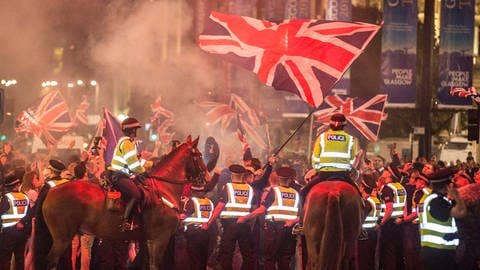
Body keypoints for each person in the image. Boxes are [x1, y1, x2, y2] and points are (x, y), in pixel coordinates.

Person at [296, 113, 359, 231]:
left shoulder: (322, 137)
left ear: (330, 124)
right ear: (344, 125)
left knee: (303, 193)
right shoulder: (350, 139)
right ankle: (360, 229)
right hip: (343, 175)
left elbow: (315, 158)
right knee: (359, 196)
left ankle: (301, 223)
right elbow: (352, 159)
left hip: (324, 174)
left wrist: (318, 168)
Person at [237, 166, 299, 270]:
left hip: (274, 229)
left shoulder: (274, 192)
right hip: (290, 230)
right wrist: (292, 221)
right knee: (285, 260)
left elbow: (262, 209)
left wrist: (246, 217)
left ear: (279, 178)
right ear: (289, 179)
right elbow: (300, 215)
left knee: (269, 259)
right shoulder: (295, 194)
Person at [202, 164, 255, 270]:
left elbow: (219, 207)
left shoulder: (228, 188)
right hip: (245, 224)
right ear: (243, 175)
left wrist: (209, 222)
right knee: (248, 254)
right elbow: (252, 208)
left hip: (230, 226)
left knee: (227, 254)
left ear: (231, 175)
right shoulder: (250, 189)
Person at [419, 168, 466, 269]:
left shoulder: (428, 198)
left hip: (432, 250)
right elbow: (461, 212)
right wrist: (457, 196)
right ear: (447, 186)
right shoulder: (437, 202)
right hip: (440, 252)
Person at [109, 117, 147, 231]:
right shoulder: (127, 143)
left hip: (123, 175)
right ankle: (125, 222)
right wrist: (145, 172)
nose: (136, 132)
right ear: (132, 130)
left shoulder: (129, 143)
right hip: (119, 176)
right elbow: (133, 165)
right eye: (136, 129)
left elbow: (135, 162)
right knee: (136, 195)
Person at [375, 165, 407, 270]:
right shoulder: (400, 187)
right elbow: (405, 205)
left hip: (388, 224)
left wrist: (380, 223)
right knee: (399, 250)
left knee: (386, 251)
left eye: (386, 171)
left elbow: (389, 210)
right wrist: (402, 217)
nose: (383, 172)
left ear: (390, 174)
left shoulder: (387, 188)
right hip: (399, 223)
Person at [0, 173, 33, 270]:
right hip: (21, 233)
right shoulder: (25, 197)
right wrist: (23, 226)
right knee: (19, 260)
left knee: (5, 260)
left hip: (7, 234)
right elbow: (29, 215)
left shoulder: (6, 198)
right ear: (16, 185)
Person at [357, 172, 381, 270]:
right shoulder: (375, 200)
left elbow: (360, 219)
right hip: (373, 233)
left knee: (363, 260)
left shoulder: (366, 203)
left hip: (363, 235)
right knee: (370, 259)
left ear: (362, 187)